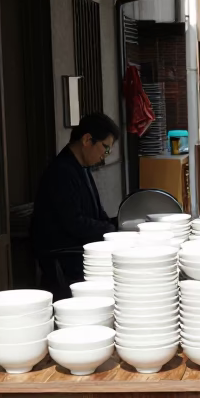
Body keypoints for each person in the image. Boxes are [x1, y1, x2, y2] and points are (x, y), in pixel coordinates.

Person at [31, 112, 120, 300]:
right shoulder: (61, 171)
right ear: (87, 140)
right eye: (105, 149)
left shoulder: (80, 167)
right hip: (65, 260)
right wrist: (109, 229)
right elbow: (74, 222)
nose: (105, 156)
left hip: (79, 254)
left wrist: (114, 227)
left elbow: (96, 213)